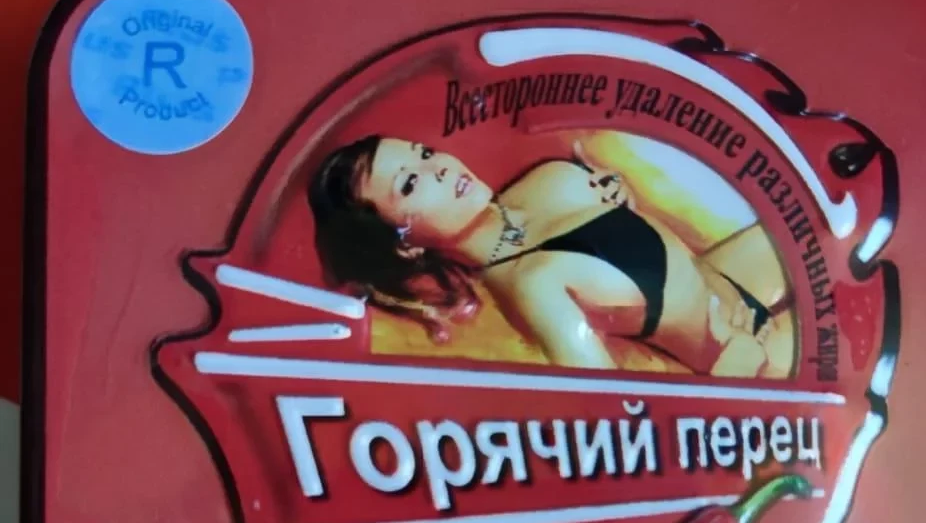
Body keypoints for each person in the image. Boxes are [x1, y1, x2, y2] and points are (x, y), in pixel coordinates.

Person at [308, 135, 792, 376]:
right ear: (406, 242)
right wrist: (735, 369)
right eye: (411, 182)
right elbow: (620, 416)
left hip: (732, 278)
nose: (440, 169)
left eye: (426, 153)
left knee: (814, 222)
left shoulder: (547, 180)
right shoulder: (534, 285)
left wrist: (625, 196)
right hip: (746, 358)